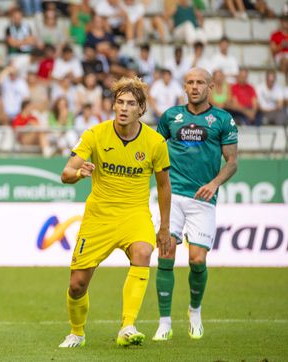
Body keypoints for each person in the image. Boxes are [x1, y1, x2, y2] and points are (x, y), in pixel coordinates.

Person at [58, 76, 172, 348]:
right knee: (77, 285)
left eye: (130, 103)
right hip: (99, 216)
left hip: (135, 214)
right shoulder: (95, 135)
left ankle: (128, 325)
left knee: (143, 252)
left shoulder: (155, 143)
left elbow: (164, 186)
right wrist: (79, 174)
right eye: (119, 102)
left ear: (141, 109)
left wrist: (164, 227)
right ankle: (77, 332)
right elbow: (66, 173)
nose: (123, 108)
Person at [153, 67, 238, 341]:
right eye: (190, 82)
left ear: (210, 87)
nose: (194, 86)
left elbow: (232, 163)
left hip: (203, 199)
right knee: (165, 252)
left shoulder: (223, 120)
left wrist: (214, 184)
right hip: (173, 196)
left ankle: (195, 311)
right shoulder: (170, 117)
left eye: (200, 82)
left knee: (197, 259)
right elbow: (156, 150)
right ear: (184, 87)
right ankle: (164, 323)